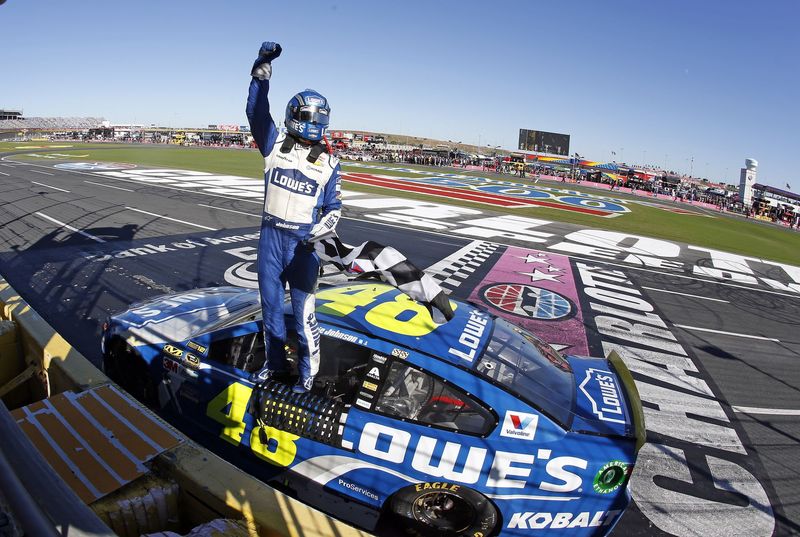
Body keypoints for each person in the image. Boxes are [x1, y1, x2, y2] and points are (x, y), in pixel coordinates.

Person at [246, 41, 342, 393]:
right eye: (308, 116)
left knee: (304, 318)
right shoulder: (273, 145)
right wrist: (261, 73)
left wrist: (317, 232)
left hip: (302, 245)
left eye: (320, 118)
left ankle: (307, 377)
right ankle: (275, 368)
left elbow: (335, 209)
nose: (315, 123)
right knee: (270, 311)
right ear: (294, 115)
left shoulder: (330, 163)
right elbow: (256, 112)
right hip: (270, 238)